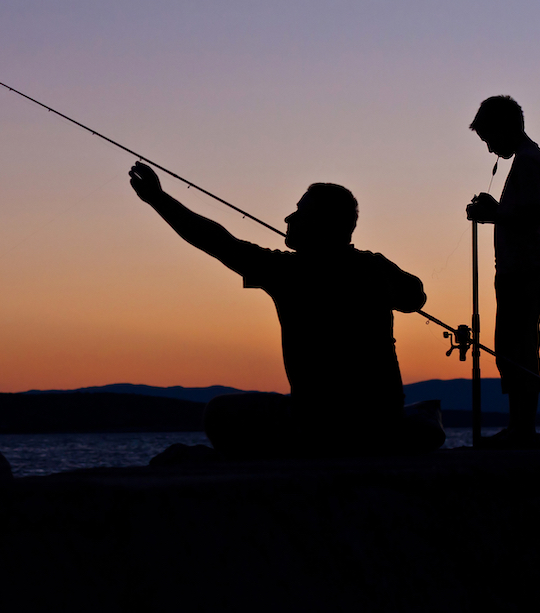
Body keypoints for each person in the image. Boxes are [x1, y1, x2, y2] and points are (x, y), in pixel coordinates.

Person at [129, 162, 429, 458]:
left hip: (321, 422)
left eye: (300, 212)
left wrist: (157, 198)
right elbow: (415, 298)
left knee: (219, 411)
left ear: (320, 223)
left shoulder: (287, 271)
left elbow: (216, 241)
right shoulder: (375, 267)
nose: (289, 218)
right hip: (382, 419)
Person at [466, 96, 540, 449]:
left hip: (524, 268)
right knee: (512, 348)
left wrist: (494, 213)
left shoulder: (529, 162)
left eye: (489, 139)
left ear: (504, 129)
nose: (490, 149)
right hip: (522, 267)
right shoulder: (532, 160)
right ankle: (520, 427)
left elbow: (535, 216)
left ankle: (522, 430)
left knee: (516, 349)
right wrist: (499, 211)